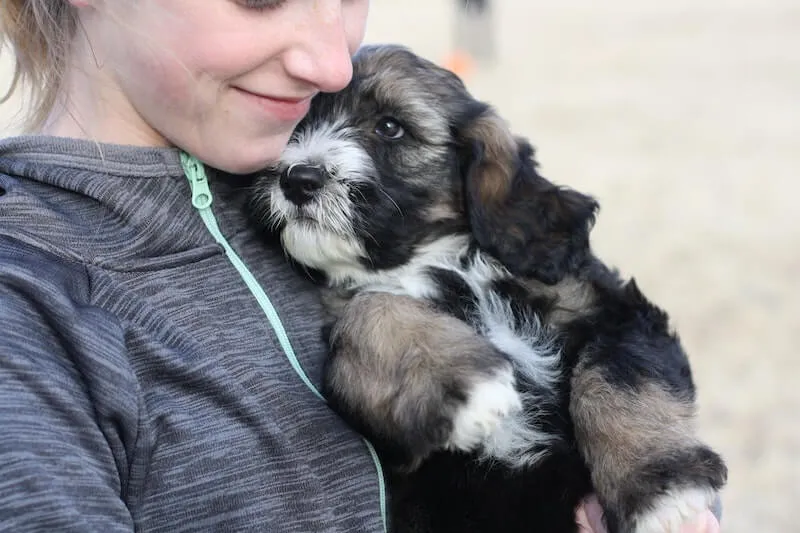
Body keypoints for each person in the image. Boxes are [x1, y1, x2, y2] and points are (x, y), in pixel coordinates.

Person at [0, 1, 720, 531]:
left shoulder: (314, 181)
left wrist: (654, 481)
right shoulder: (28, 307)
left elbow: (627, 375)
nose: (329, 61)